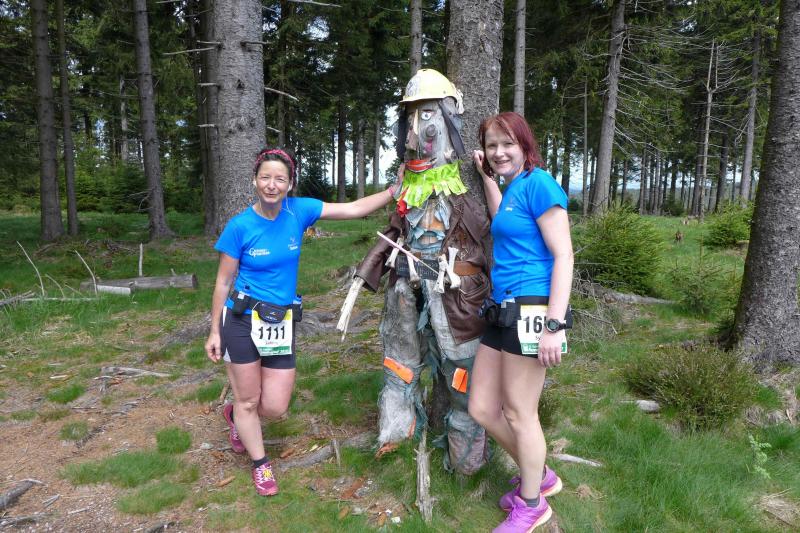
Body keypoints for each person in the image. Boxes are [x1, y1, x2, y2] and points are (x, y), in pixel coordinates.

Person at [205, 147, 401, 496]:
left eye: (280, 179)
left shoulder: (299, 211)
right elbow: (222, 282)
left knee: (275, 406)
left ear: (290, 183)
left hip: (279, 323)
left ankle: (235, 415)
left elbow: (352, 209)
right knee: (250, 400)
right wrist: (214, 331)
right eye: (265, 177)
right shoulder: (240, 227)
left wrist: (392, 191)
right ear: (254, 180)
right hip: (241, 320)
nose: (272, 185)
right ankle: (261, 464)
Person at [469, 112, 573, 532]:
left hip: (532, 310)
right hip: (500, 310)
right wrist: (487, 178)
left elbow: (564, 255)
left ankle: (532, 504)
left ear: (525, 145)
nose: (498, 152)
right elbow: (503, 221)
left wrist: (554, 325)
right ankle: (540, 475)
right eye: (491, 145)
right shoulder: (514, 189)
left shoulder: (540, 184)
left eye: (507, 144)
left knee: (518, 412)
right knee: (481, 407)